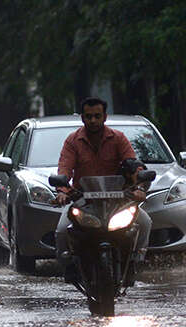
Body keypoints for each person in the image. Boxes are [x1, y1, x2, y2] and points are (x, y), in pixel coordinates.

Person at [53, 97, 151, 284]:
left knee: (145, 222)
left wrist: (138, 187)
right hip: (83, 200)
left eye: (97, 116)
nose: (93, 121)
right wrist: (62, 191)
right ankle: (70, 267)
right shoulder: (73, 141)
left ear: (105, 117)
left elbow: (134, 165)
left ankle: (133, 263)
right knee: (61, 231)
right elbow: (65, 168)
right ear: (82, 118)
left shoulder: (118, 138)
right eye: (89, 116)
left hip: (118, 200)